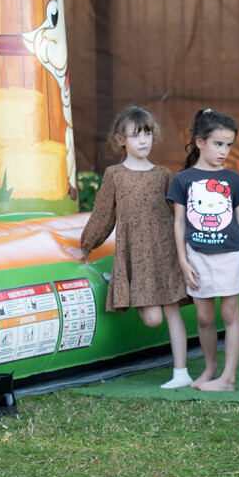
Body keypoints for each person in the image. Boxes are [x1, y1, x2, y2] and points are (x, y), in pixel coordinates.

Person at [78, 107, 193, 389]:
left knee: (172, 311)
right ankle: (118, 282)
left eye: (148, 133)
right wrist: (85, 246)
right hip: (137, 257)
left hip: (165, 253)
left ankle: (181, 372)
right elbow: (103, 215)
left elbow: (179, 216)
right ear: (121, 140)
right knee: (153, 320)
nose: (143, 141)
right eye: (136, 135)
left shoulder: (163, 174)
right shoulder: (115, 175)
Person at [168, 108, 239, 392]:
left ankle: (228, 379)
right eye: (218, 144)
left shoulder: (233, 179)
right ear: (200, 142)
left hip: (231, 255)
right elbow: (179, 223)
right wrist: (183, 261)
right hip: (197, 257)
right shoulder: (182, 180)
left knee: (230, 316)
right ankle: (211, 368)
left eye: (229, 145)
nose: (224, 151)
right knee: (204, 317)